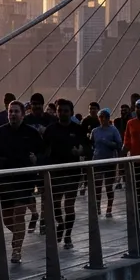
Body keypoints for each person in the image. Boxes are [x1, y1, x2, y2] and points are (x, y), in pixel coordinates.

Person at [0, 102, 45, 264]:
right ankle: (18, 235)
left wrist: (36, 160)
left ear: (22, 114)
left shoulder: (31, 133)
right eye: (10, 112)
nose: (12, 114)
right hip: (5, 181)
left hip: (24, 180)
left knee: (18, 214)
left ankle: (16, 250)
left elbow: (43, 152)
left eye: (16, 112)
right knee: (7, 219)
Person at [42, 100, 86, 250]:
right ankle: (60, 223)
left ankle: (68, 236)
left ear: (71, 112)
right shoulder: (51, 129)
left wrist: (80, 152)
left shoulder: (78, 129)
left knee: (69, 206)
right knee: (55, 205)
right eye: (60, 110)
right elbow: (43, 149)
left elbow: (88, 147)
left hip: (72, 173)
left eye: (65, 111)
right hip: (55, 173)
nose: (62, 113)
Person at [22, 93, 54, 232]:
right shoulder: (26, 120)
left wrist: (45, 131)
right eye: (33, 104)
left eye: (38, 104)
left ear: (43, 104)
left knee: (44, 192)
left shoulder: (51, 120)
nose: (36, 106)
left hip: (45, 160)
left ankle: (43, 220)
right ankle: (34, 213)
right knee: (27, 192)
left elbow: (55, 138)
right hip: (28, 159)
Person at [91, 108, 122, 217]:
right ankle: (98, 207)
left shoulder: (113, 130)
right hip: (97, 161)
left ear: (109, 118)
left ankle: (109, 209)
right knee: (97, 187)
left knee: (109, 186)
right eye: (101, 117)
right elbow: (91, 144)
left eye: (105, 117)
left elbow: (119, 144)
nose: (103, 119)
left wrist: (107, 143)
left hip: (109, 162)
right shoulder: (95, 131)